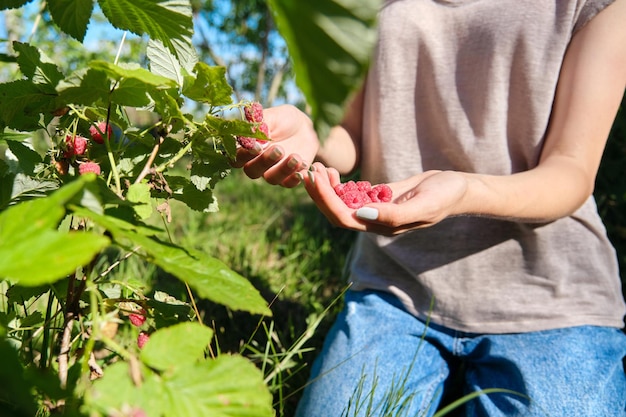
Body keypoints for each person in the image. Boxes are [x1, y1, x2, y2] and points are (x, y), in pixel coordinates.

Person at [233, 0, 626, 415]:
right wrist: (312, 135)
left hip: (550, 300)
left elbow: (572, 170)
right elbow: (351, 134)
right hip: (397, 289)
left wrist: (464, 193)